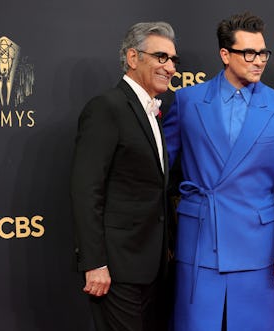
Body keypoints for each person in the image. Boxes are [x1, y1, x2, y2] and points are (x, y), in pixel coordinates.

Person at [163, 12, 274, 331]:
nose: (259, 61)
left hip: (258, 245)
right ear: (225, 54)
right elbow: (159, 170)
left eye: (263, 53)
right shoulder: (188, 100)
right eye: (249, 53)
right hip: (200, 241)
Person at [70, 22, 178, 331]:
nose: (170, 67)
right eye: (161, 57)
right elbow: (86, 189)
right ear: (133, 57)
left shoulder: (152, 112)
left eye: (172, 60)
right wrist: (94, 263)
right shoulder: (106, 108)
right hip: (116, 270)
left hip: (153, 268)